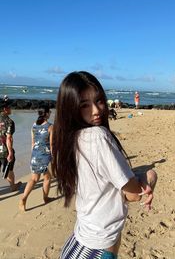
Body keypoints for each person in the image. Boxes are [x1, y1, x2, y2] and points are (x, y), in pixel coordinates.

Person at [51, 71, 157, 259]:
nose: (96, 111)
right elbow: (133, 195)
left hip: (78, 240)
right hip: (96, 248)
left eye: (99, 101)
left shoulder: (73, 138)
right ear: (71, 108)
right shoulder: (97, 136)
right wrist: (148, 177)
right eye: (84, 105)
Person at [19, 105, 53, 211]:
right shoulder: (50, 126)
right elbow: (52, 145)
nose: (50, 113)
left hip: (35, 154)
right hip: (45, 155)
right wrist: (54, 157)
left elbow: (33, 143)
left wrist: (33, 155)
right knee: (47, 177)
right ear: (46, 114)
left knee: (34, 179)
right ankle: (45, 198)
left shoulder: (33, 126)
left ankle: (23, 198)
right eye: (49, 112)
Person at [0, 96, 22, 191]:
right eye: (9, 107)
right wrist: (10, 152)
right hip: (4, 150)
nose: (11, 109)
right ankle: (12, 186)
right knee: (9, 169)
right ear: (5, 109)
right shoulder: (9, 122)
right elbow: (9, 138)